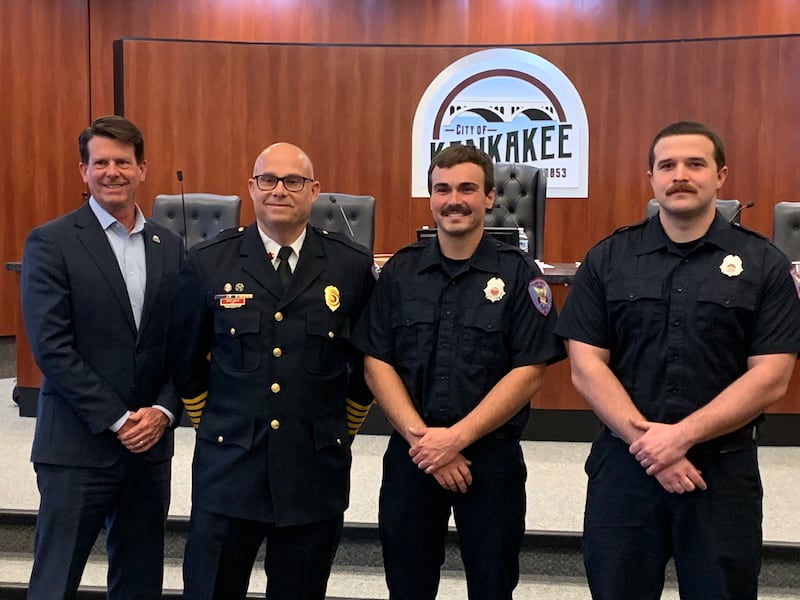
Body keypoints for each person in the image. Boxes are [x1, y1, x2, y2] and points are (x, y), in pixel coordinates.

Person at [555, 121, 800, 600]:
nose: (680, 175)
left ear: (721, 176)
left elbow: (771, 377)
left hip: (720, 471)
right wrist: (650, 447)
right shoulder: (607, 259)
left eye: (695, 164)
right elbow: (585, 367)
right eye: (667, 165)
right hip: (625, 468)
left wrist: (679, 438)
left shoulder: (765, 264)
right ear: (650, 177)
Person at [352, 144, 566, 599]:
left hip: (491, 462)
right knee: (407, 586)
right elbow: (376, 362)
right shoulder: (399, 273)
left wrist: (456, 439)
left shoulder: (521, 275)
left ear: (490, 197)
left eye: (467, 188)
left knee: (492, 584)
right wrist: (424, 440)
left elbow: (529, 371)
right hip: (413, 456)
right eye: (442, 189)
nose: (454, 199)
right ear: (430, 198)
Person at [170, 142, 376, 600]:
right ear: (251, 188)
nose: (279, 190)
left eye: (293, 181)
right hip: (230, 468)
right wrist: (218, 423)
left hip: (312, 468)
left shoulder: (351, 265)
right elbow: (184, 359)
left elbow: (366, 366)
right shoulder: (208, 263)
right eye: (268, 180)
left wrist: (341, 427)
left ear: (314, 190)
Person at [20, 115, 184, 599]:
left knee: (138, 581)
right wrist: (117, 419)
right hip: (77, 445)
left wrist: (162, 410)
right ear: (84, 172)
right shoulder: (51, 242)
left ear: (142, 170)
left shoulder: (170, 247)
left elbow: (184, 344)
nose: (113, 172)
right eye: (101, 163)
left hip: (150, 448)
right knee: (55, 581)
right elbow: (51, 346)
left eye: (123, 162)